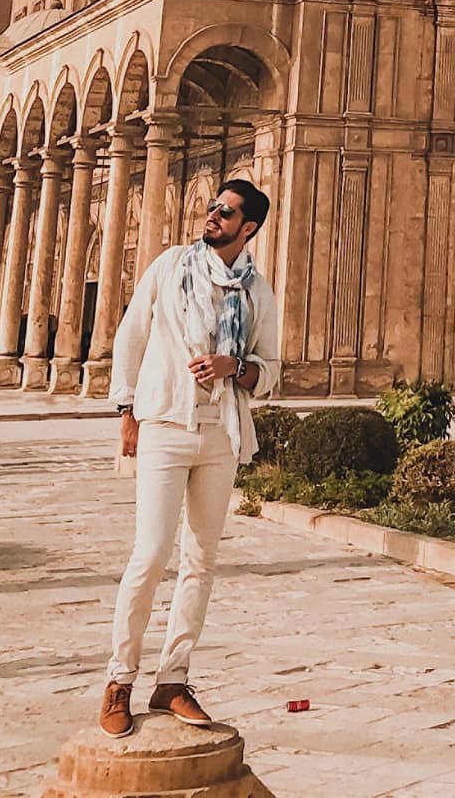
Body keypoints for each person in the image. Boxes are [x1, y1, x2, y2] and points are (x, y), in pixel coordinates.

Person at [99, 177, 280, 738]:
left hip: (221, 433)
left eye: (224, 212)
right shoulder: (173, 266)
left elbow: (269, 369)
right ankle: (119, 680)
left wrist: (234, 368)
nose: (212, 216)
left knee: (200, 561)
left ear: (246, 228)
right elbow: (132, 334)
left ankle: (172, 680)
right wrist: (127, 410)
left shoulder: (256, 291)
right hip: (166, 424)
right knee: (150, 556)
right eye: (212, 207)